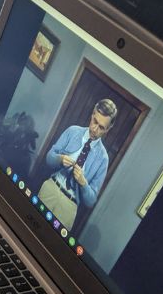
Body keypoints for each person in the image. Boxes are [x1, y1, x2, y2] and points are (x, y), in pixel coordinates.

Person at [37, 99, 118, 231]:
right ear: (92, 115)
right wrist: (59, 159)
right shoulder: (72, 131)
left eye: (101, 127)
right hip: (50, 189)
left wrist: (83, 183)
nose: (94, 129)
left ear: (108, 129)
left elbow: (91, 201)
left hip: (69, 206)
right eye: (95, 121)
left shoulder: (103, 159)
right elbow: (48, 158)